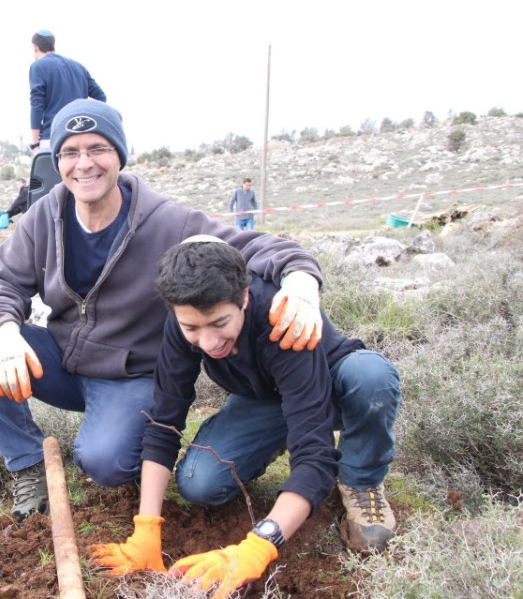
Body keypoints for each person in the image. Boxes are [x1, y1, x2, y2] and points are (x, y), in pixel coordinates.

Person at [0, 99, 325, 524]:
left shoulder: (169, 222)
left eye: (97, 148)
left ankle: (127, 441)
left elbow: (255, 247)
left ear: (119, 155)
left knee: (105, 463)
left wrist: (300, 279)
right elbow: (0, 283)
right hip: (61, 362)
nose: (84, 164)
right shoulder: (44, 216)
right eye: (70, 153)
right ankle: (27, 464)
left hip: (129, 377)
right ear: (57, 161)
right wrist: (4, 334)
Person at [91, 237, 401, 596]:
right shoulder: (181, 322)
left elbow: (314, 456)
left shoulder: (279, 318)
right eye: (192, 328)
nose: (207, 343)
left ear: (245, 298)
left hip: (325, 384)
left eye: (219, 322)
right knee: (198, 483)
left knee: (371, 379)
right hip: (263, 398)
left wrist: (260, 545)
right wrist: (145, 527)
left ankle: (360, 479)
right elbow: (164, 421)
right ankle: (273, 439)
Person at [29, 29, 106, 152]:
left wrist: (34, 144)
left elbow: (37, 105)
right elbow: (101, 97)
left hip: (53, 137)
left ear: (35, 47)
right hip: (80, 137)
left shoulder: (38, 66)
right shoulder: (78, 67)